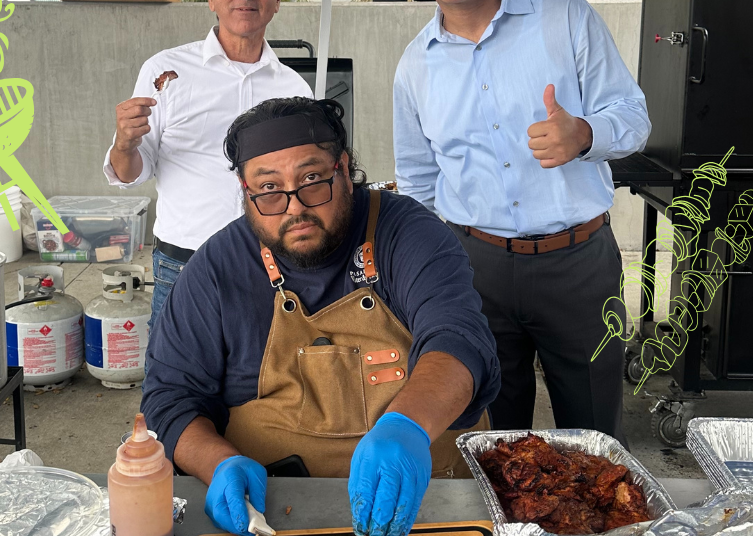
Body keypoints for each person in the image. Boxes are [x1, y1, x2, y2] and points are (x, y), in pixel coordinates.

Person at [142, 97, 500, 536]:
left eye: (312, 179)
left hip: (430, 503)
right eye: (269, 189)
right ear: (245, 191)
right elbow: (171, 395)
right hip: (274, 513)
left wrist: (407, 426)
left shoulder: (409, 233)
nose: (294, 207)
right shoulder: (217, 268)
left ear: (343, 170)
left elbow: (458, 339)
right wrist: (216, 463)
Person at [393, 0, 651, 445]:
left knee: (594, 440)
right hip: (473, 271)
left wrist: (584, 134)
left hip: (578, 265)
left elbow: (633, 117)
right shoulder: (415, 66)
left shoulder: (565, 18)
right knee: (492, 437)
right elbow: (416, 181)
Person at [104, 0, 311, 335]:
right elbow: (130, 174)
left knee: (262, 389)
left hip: (270, 267)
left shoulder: (294, 89)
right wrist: (125, 143)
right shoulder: (165, 72)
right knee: (175, 390)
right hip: (183, 265)